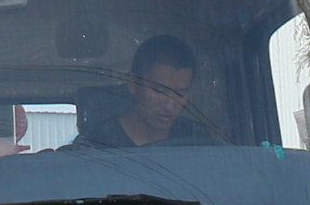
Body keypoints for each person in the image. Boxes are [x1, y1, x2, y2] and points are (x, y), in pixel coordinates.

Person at [81, 35, 217, 148]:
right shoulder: (96, 145)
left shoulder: (197, 139)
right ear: (133, 84)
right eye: (158, 91)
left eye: (180, 94)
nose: (169, 106)